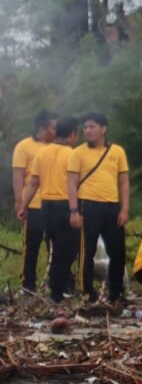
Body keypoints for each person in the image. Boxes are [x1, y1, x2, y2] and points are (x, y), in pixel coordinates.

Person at [67, 112, 130, 304]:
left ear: (103, 129)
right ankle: (87, 291)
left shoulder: (117, 151)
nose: (88, 130)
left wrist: (124, 209)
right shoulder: (78, 152)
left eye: (92, 126)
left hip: (112, 206)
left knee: (117, 251)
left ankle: (116, 293)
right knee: (87, 251)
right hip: (87, 205)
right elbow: (71, 183)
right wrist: (74, 210)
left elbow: (123, 182)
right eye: (85, 127)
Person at [18, 116, 79, 302]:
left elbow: (33, 183)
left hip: (46, 207)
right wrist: (75, 210)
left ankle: (57, 289)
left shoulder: (42, 153)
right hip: (65, 206)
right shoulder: (73, 155)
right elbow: (75, 184)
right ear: (72, 134)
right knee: (67, 249)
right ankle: (57, 290)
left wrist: (23, 206)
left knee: (56, 247)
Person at [11, 110, 57, 294]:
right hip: (33, 204)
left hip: (55, 203)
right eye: (53, 127)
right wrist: (19, 202)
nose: (56, 130)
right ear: (42, 128)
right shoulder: (24, 146)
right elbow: (18, 176)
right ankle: (28, 284)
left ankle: (56, 283)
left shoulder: (58, 146)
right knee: (31, 246)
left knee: (56, 246)